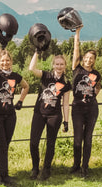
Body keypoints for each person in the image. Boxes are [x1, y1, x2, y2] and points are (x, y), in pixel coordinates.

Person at [0, 48, 29, 186]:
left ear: (11, 62)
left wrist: (20, 101)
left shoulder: (16, 76)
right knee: (2, 146)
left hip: (10, 115)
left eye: (7, 60)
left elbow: (26, 86)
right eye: (2, 60)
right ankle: (3, 176)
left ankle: (3, 174)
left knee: (5, 145)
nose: (5, 62)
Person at [29, 51, 71, 180]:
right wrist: (37, 51)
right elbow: (31, 69)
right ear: (53, 65)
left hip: (54, 115)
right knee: (33, 142)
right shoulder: (46, 75)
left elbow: (65, 103)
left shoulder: (66, 83)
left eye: (61, 64)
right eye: (57, 64)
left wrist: (66, 121)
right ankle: (35, 168)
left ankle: (46, 168)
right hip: (39, 113)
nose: (59, 67)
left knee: (51, 143)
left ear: (65, 66)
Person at [70, 25, 101, 178]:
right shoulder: (77, 69)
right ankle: (76, 165)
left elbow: (98, 87)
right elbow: (76, 49)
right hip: (77, 108)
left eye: (91, 58)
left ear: (94, 61)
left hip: (92, 109)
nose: (89, 60)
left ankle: (85, 167)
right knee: (77, 139)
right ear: (83, 59)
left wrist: (91, 95)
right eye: (87, 57)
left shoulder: (96, 74)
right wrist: (77, 33)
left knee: (87, 139)